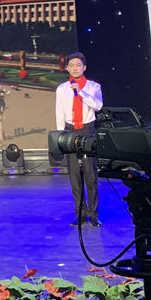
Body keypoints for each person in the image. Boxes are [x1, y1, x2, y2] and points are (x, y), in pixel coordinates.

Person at [55, 51, 103, 227]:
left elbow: (98, 106)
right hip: (70, 131)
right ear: (67, 68)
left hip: (87, 129)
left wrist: (80, 92)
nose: (75, 68)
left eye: (78, 65)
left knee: (91, 175)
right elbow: (59, 114)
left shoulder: (93, 87)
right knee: (75, 176)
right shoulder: (61, 89)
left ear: (84, 67)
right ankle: (80, 213)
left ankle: (93, 214)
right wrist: (60, 137)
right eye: (72, 65)